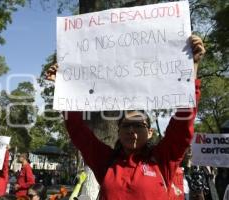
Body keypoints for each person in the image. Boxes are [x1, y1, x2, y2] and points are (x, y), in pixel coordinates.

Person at [46, 35, 205, 199]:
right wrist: (62, 88)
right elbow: (78, 131)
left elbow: (183, 125)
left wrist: (191, 66)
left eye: (138, 125)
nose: (131, 130)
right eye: (126, 126)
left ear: (150, 132)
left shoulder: (163, 159)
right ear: (118, 131)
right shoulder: (105, 161)